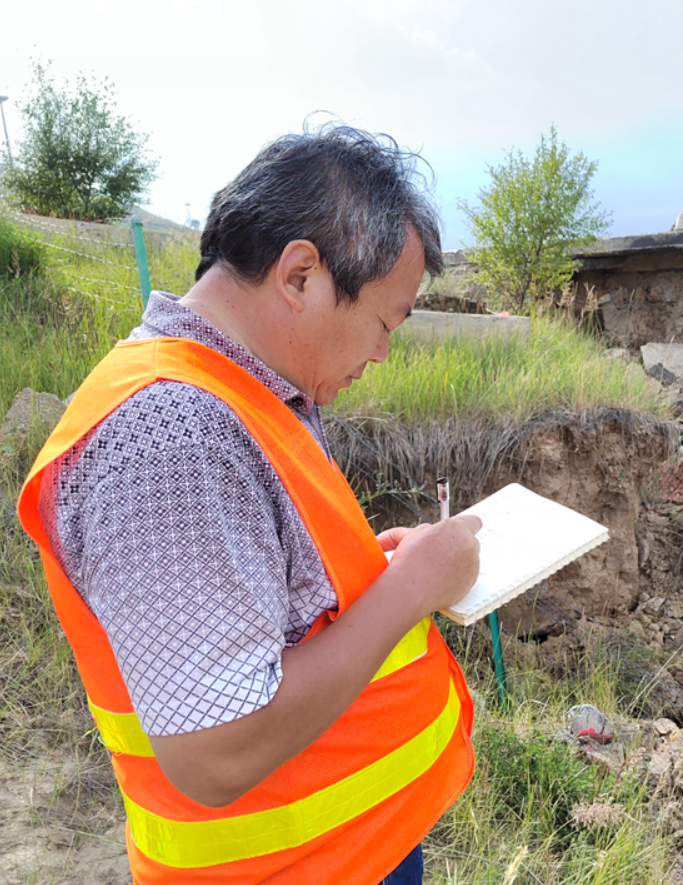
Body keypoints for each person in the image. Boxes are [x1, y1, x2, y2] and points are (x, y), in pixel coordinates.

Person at [18, 126, 482, 885]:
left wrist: (367, 576)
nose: (381, 355)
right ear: (300, 275)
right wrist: (412, 589)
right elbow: (216, 749)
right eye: (384, 324)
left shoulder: (250, 389)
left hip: (345, 852)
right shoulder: (171, 435)